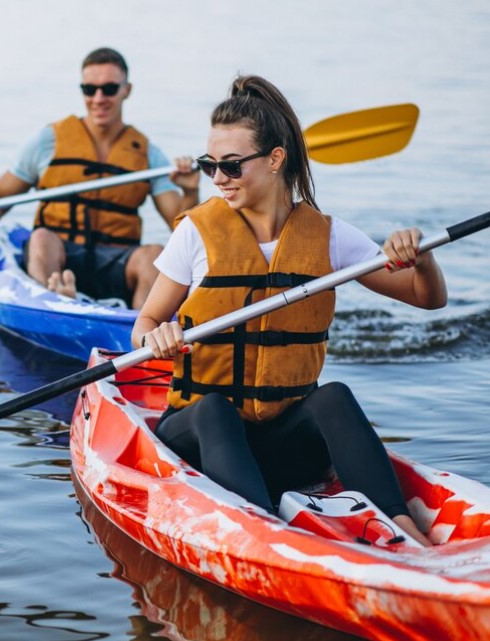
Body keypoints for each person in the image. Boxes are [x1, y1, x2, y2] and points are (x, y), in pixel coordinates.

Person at [132, 74, 447, 547]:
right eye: (209, 165)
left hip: (284, 445)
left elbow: (427, 297)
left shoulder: (328, 236)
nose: (218, 178)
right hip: (200, 439)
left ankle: (403, 528)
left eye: (231, 166)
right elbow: (145, 324)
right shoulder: (195, 234)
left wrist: (422, 257)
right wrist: (153, 338)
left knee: (333, 396)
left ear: (275, 159)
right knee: (214, 408)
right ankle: (262, 535)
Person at [0, 47, 200, 309]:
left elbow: (182, 232)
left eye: (109, 89)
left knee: (154, 255)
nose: (98, 98)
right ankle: (54, 302)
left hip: (116, 262)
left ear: (127, 90)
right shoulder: (47, 141)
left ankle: (141, 331)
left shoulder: (148, 155)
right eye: (90, 90)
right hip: (62, 256)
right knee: (41, 238)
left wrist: (189, 192)